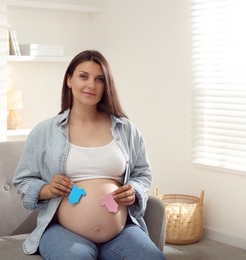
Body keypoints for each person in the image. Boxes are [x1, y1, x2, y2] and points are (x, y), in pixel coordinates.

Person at [13, 50, 165, 259]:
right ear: (69, 80)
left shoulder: (126, 130)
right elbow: (23, 181)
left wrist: (134, 191)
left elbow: (143, 175)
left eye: (99, 79)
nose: (91, 85)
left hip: (121, 232)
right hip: (63, 231)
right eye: (83, 76)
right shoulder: (44, 131)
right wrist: (47, 189)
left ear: (106, 85)